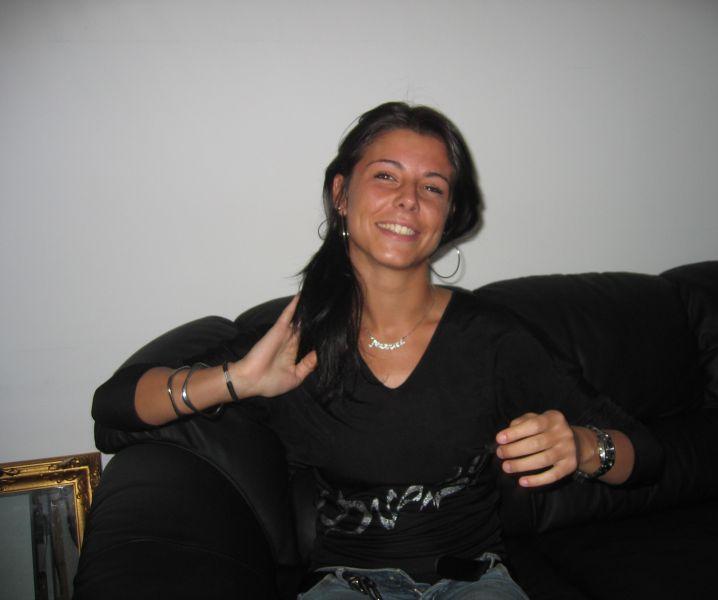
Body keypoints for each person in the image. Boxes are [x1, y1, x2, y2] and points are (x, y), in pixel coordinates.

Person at [92, 102, 662, 599]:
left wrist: (584, 448)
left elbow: (649, 455)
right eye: (386, 176)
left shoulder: (492, 337)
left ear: (449, 214)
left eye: (432, 187)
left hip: (475, 583)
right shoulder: (291, 337)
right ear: (342, 194)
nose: (409, 200)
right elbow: (113, 407)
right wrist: (235, 380)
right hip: (346, 585)